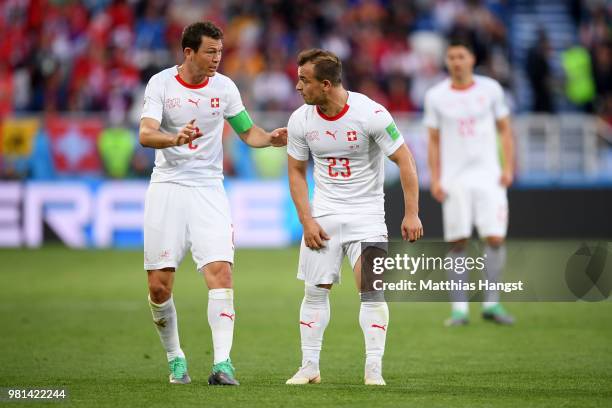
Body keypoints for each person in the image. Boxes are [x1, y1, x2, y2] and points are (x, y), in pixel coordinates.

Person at [139, 21, 287, 386]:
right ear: (188, 52)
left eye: (220, 52)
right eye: (210, 51)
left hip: (209, 189)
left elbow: (247, 131)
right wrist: (174, 138)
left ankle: (223, 364)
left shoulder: (224, 88)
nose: (217, 59)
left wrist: (269, 138)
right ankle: (176, 359)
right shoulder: (161, 84)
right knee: (159, 286)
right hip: (168, 187)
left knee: (220, 272)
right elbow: (145, 133)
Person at [285, 49, 423, 386]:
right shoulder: (300, 119)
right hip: (325, 216)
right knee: (315, 292)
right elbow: (296, 172)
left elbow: (405, 160)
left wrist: (412, 213)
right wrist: (307, 220)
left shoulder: (370, 114)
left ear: (327, 84)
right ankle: (309, 366)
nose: (298, 86)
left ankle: (373, 368)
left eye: (305, 80)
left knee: (372, 290)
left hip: (367, 217)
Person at [425, 38, 515, 327]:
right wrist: (436, 177)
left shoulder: (490, 90)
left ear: (472, 59)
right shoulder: (436, 95)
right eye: (451, 57)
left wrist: (508, 167)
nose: (456, 62)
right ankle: (459, 310)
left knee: (495, 238)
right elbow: (433, 140)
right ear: (447, 61)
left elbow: (505, 130)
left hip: (489, 175)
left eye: (461, 56)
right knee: (458, 241)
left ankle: (492, 303)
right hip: (455, 179)